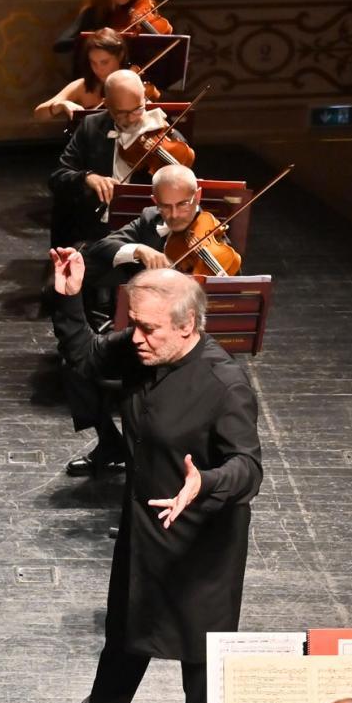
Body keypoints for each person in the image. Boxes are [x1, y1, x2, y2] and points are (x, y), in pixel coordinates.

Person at [19, 250, 262, 703]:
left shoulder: (223, 382)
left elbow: (249, 468)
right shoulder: (139, 349)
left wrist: (205, 484)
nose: (136, 337)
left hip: (203, 539)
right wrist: (71, 299)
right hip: (146, 522)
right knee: (126, 634)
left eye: (150, 328)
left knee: (201, 661)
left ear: (189, 326)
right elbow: (81, 362)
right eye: (134, 323)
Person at [62, 163, 209, 475]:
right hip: (147, 335)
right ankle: (111, 443)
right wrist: (138, 249)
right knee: (76, 365)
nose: (174, 215)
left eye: (183, 204)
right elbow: (99, 249)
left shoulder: (213, 236)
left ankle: (169, 464)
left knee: (146, 388)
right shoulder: (149, 221)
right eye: (165, 206)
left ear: (198, 195)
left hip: (189, 346)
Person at [47, 68, 189, 249]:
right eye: (122, 113)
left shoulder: (168, 138)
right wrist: (87, 177)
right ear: (106, 104)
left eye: (138, 109)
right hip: (94, 232)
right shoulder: (91, 127)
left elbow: (184, 195)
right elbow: (57, 177)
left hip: (145, 233)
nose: (131, 119)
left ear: (144, 99)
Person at [32, 26, 128, 127]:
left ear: (120, 56)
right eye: (93, 62)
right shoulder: (83, 86)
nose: (99, 69)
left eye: (105, 62)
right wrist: (60, 105)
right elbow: (38, 115)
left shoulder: (133, 84)